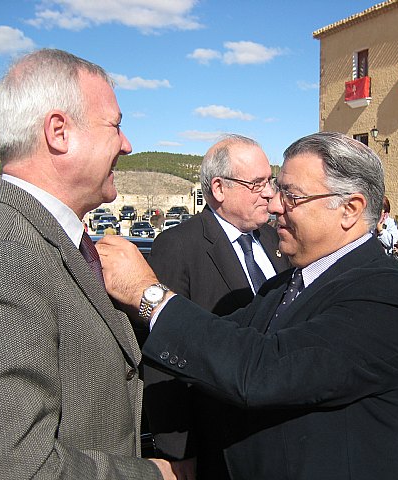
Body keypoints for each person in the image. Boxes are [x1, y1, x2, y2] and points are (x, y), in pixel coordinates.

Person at [98, 131, 398, 480]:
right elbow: (221, 345)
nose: (274, 205)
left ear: (349, 209)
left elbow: (261, 370)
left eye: (292, 196)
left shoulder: (389, 296)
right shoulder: (285, 285)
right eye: (277, 190)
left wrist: (149, 294)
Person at [0, 49, 173, 480]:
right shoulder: (1, 258)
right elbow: (13, 467)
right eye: (116, 125)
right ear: (59, 132)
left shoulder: (45, 242)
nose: (127, 144)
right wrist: (152, 475)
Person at [142, 134, 290, 478]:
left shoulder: (275, 240)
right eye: (257, 184)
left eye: (270, 181)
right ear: (219, 188)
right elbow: (163, 354)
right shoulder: (178, 246)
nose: (270, 193)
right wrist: (178, 451)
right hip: (219, 445)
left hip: (278, 435)